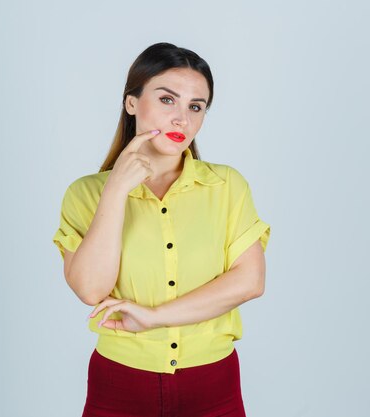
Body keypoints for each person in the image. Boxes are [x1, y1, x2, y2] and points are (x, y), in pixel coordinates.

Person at [52, 42, 271, 417]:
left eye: (195, 107)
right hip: (118, 385)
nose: (181, 119)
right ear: (132, 102)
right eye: (168, 100)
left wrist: (152, 317)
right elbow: (90, 289)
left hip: (213, 384)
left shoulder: (227, 186)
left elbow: (249, 281)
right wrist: (117, 189)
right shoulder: (85, 193)